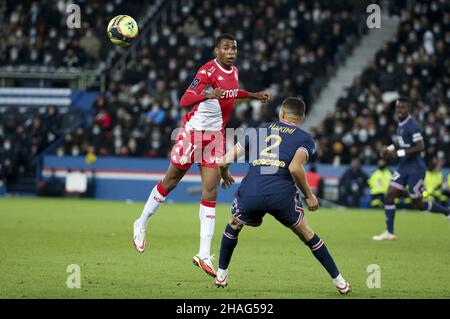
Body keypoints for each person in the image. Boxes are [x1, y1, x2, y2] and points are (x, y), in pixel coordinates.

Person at [132, 34, 270, 277]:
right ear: (216, 50)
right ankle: (141, 222)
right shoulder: (206, 72)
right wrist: (208, 94)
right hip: (193, 134)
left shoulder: (234, 71)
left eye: (234, 48)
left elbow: (232, 93)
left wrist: (254, 95)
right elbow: (185, 99)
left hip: (215, 137)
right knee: (170, 181)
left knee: (211, 191)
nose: (231, 51)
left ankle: (203, 254)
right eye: (226, 48)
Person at [215, 97, 351, 294]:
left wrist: (225, 174)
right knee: (306, 233)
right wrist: (310, 196)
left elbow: (223, 161)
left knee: (234, 224)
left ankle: (221, 275)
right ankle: (340, 282)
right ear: (302, 117)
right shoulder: (305, 139)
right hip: (281, 195)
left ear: (281, 113)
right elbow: (295, 168)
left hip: (253, 190)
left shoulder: (259, 130)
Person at [373, 98, 450, 241]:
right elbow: (400, 142)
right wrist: (388, 149)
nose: (400, 111)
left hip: (416, 169)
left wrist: (399, 153)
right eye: (398, 108)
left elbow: (420, 146)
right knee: (389, 195)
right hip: (403, 167)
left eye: (403, 108)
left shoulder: (412, 125)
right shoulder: (400, 125)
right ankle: (389, 232)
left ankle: (447, 212)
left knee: (418, 204)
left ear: (408, 109)